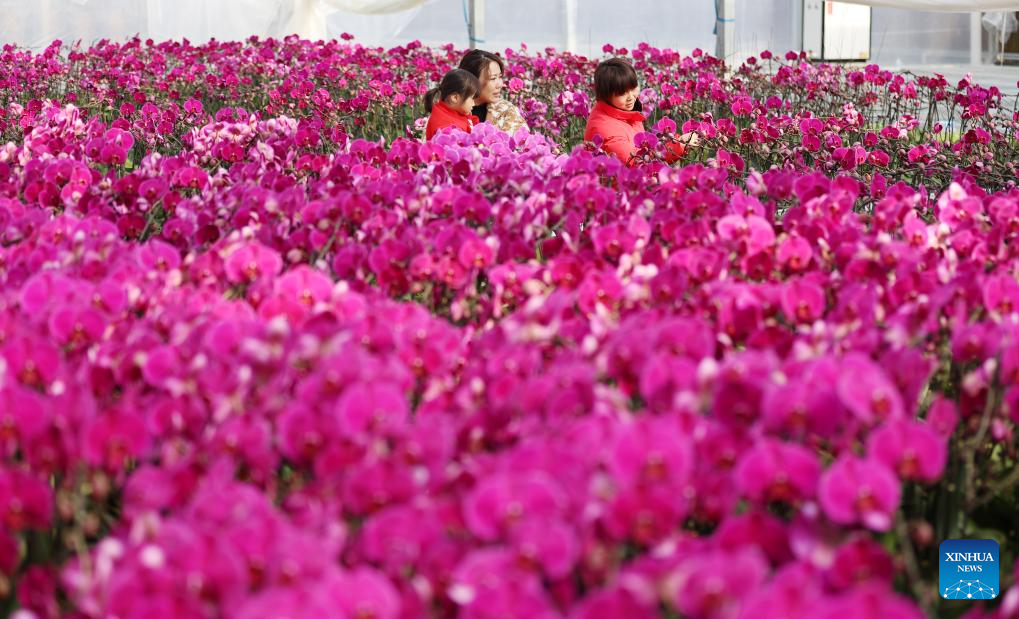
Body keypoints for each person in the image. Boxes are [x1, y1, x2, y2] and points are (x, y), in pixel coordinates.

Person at [584, 58, 699, 166]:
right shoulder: (604, 128)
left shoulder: (623, 112)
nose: (631, 97)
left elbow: (642, 151)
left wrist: (678, 142)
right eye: (622, 93)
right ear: (606, 95)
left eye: (633, 88)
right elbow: (635, 162)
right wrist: (679, 145)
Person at [459, 49, 528, 135]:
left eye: (500, 77)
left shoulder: (507, 112)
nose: (500, 84)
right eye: (493, 78)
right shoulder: (450, 109)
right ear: (471, 80)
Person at [423, 69, 482, 140]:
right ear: (455, 98)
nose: (474, 103)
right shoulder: (445, 127)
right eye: (472, 98)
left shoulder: (453, 111)